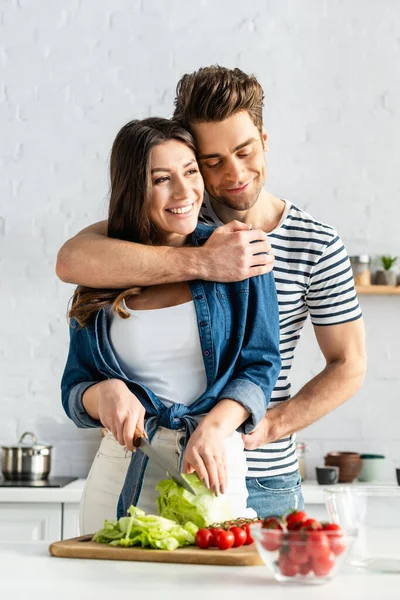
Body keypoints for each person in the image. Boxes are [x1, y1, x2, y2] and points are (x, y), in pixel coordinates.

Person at [57, 66, 366, 518]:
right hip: (147, 467)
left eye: (244, 150)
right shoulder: (173, 223)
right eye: (212, 161)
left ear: (264, 139)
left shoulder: (314, 242)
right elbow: (74, 260)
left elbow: (348, 365)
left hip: (261, 471)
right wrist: (205, 261)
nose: (235, 173)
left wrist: (263, 426)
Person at [61, 117, 281, 534]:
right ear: (133, 188)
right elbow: (75, 385)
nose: (184, 193)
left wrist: (214, 428)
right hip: (121, 473)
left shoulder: (240, 254)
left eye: (191, 172)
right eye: (162, 178)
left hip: (212, 465)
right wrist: (102, 393)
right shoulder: (103, 270)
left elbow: (261, 364)